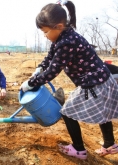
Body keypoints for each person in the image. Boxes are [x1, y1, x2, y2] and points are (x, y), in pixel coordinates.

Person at [20, 0, 118, 160]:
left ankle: (79, 150)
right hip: (99, 79)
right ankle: (110, 145)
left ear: (58, 26)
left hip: (94, 83)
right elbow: (50, 58)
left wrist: (31, 83)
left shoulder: (67, 42)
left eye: (45, 32)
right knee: (103, 112)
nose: (45, 36)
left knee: (67, 112)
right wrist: (39, 68)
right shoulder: (62, 36)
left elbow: (53, 71)